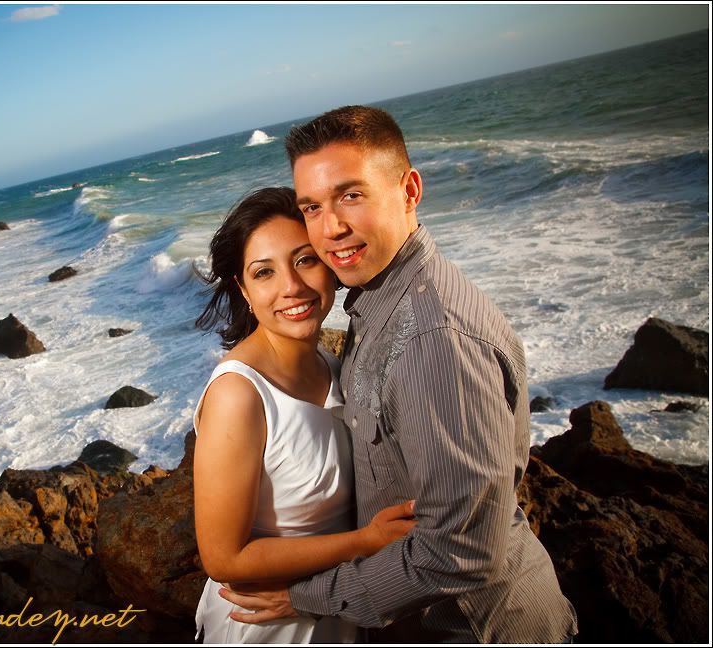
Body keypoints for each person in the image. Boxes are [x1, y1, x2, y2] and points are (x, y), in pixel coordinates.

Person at [216, 106, 579, 643]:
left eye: (351, 195)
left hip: (478, 629)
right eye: (312, 207)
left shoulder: (434, 342)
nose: (331, 228)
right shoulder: (378, 304)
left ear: (409, 189)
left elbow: (458, 552)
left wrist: (304, 596)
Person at [192, 187, 417, 643]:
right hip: (268, 625)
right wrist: (363, 543)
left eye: (305, 260)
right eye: (264, 272)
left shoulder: (336, 365)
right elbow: (222, 559)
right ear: (244, 289)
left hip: (336, 609)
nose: (291, 288)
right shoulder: (239, 393)